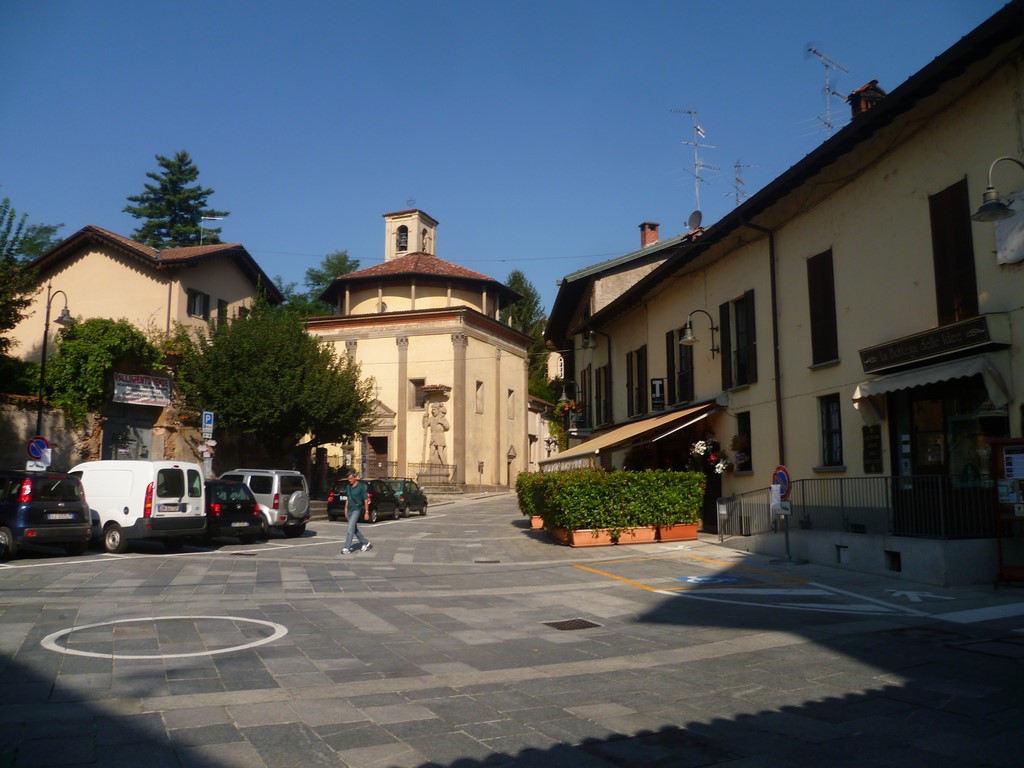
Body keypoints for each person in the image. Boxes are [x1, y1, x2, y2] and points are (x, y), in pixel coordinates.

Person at [341, 470, 372, 555]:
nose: (349, 480)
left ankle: (346, 548)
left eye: (351, 478)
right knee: (354, 529)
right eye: (348, 479)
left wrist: (366, 512)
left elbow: (366, 500)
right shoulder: (348, 486)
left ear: (355, 478)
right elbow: (348, 497)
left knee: (350, 529)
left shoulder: (361, 487)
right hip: (349, 510)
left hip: (356, 509)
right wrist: (345, 508)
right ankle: (365, 542)